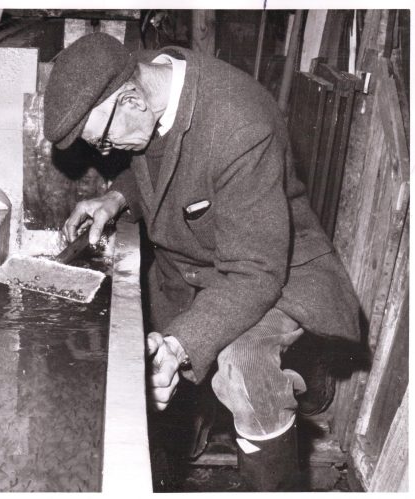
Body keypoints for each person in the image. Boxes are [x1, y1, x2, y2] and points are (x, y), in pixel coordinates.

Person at [43, 33, 360, 491]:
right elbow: (156, 162)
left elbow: (255, 271)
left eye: (105, 144)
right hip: (194, 267)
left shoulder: (240, 124)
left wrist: (178, 345)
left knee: (243, 370)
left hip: (273, 269)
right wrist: (115, 197)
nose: (107, 153)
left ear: (131, 98)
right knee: (152, 395)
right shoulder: (148, 78)